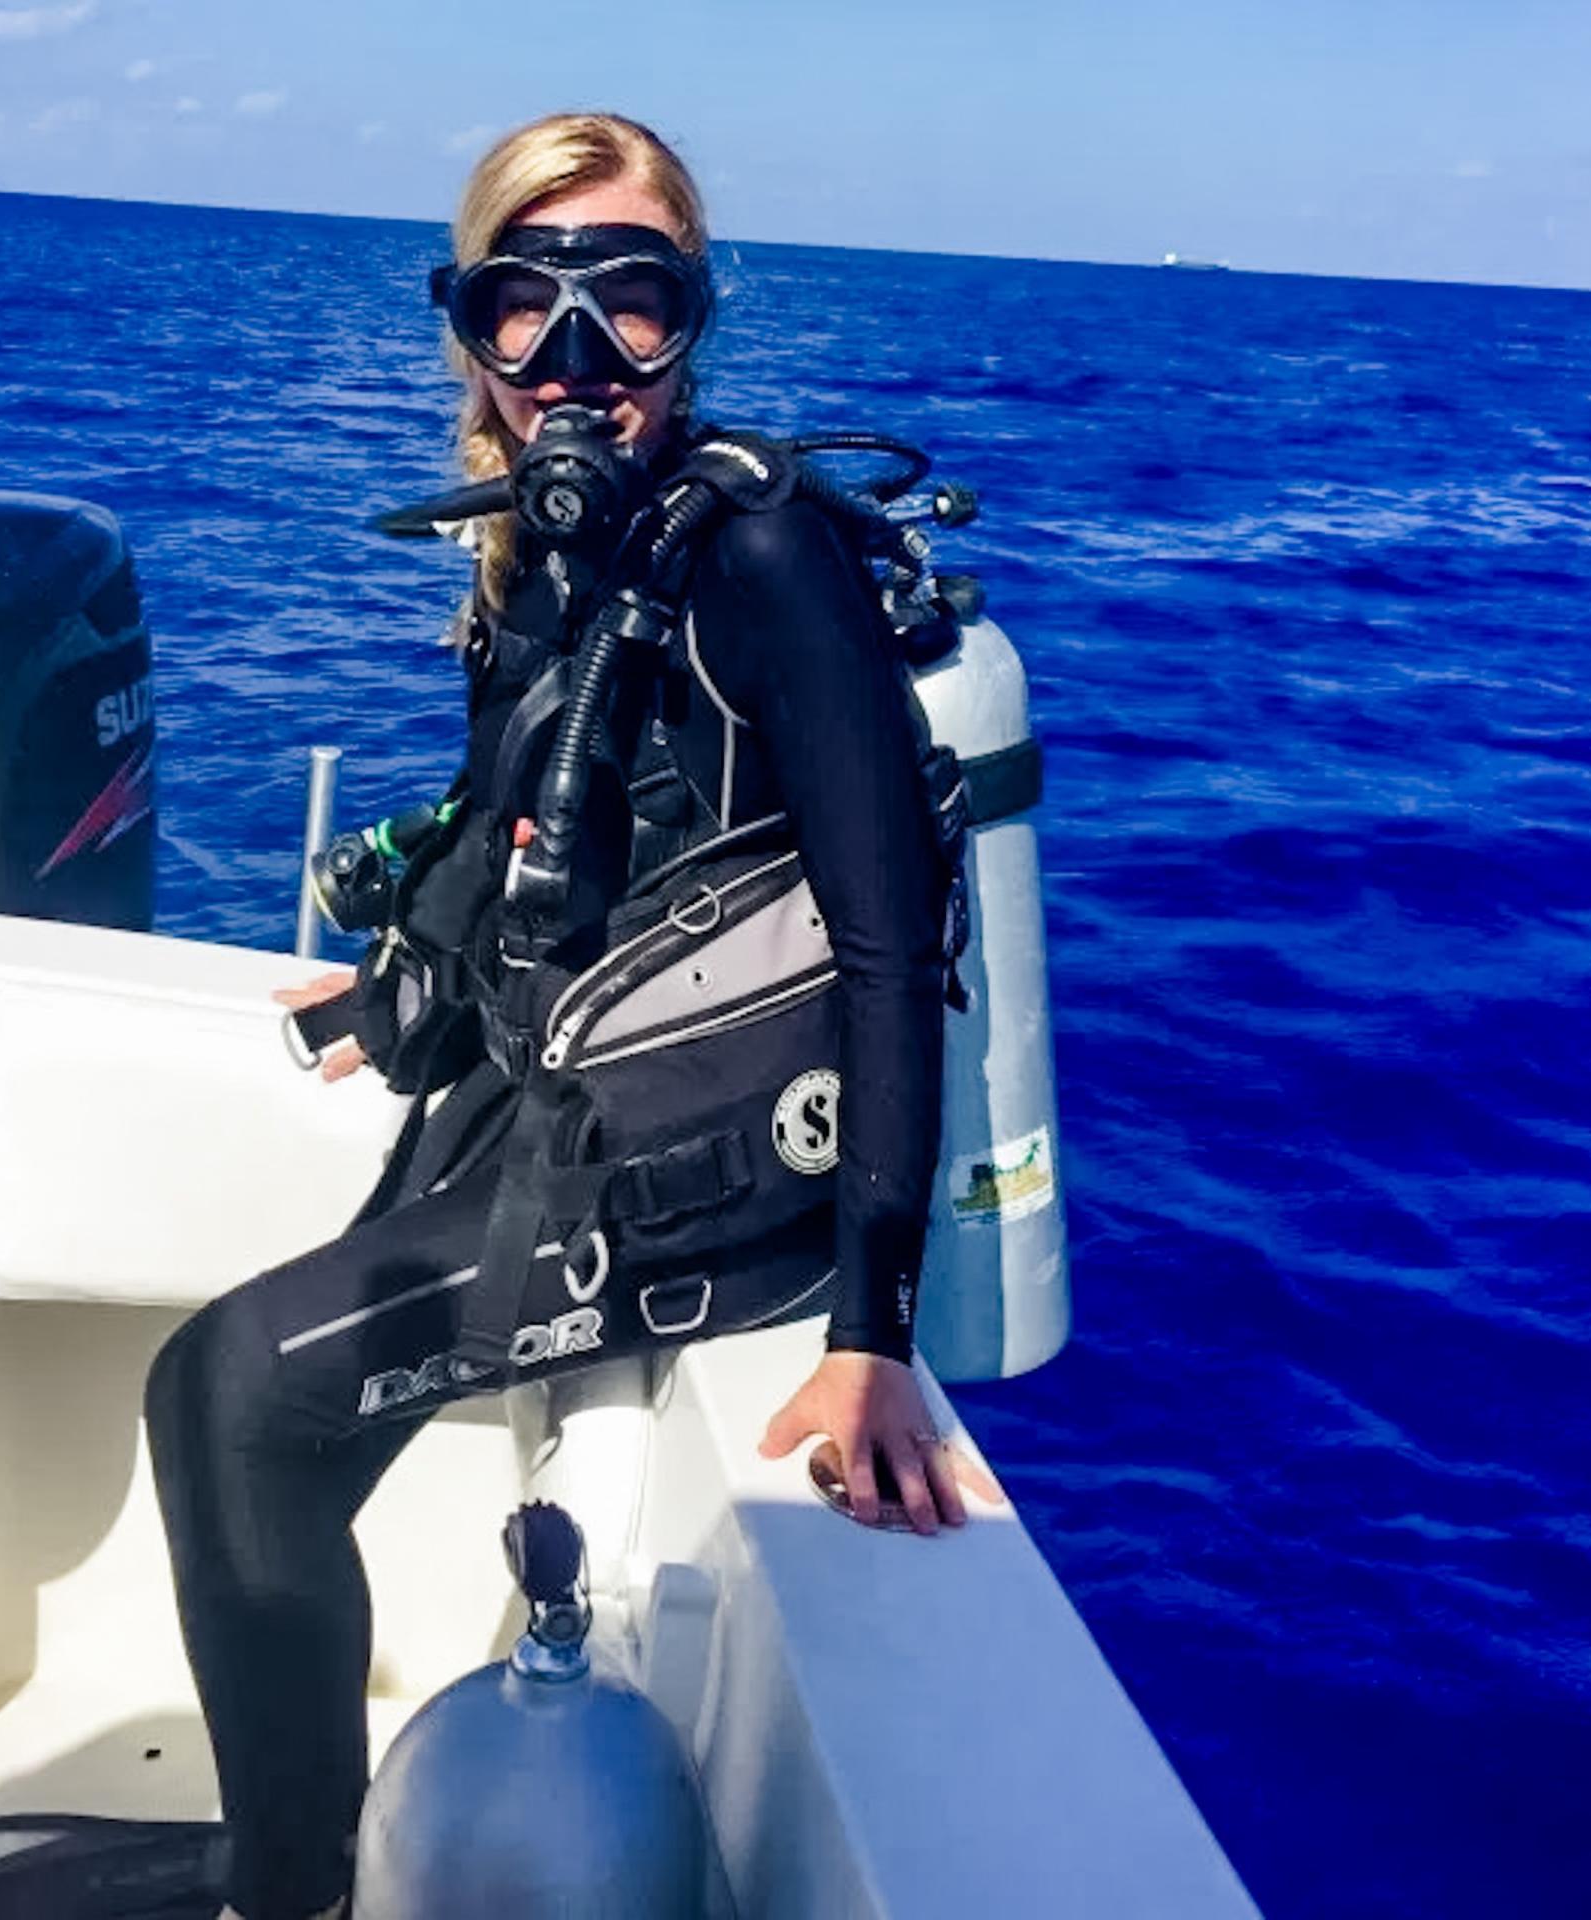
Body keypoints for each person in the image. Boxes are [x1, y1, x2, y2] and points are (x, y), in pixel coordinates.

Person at [144, 110, 996, 1920]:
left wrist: (874, 1330)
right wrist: (400, 993)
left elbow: (889, 949)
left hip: (713, 1185)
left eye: (634, 298)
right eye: (522, 305)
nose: (575, 356)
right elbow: (516, 822)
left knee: (227, 1397)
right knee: (270, 1410)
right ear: (468, 329)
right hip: (583, 1105)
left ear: (697, 320)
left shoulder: (761, 561)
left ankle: (286, 1892)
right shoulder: (559, 554)